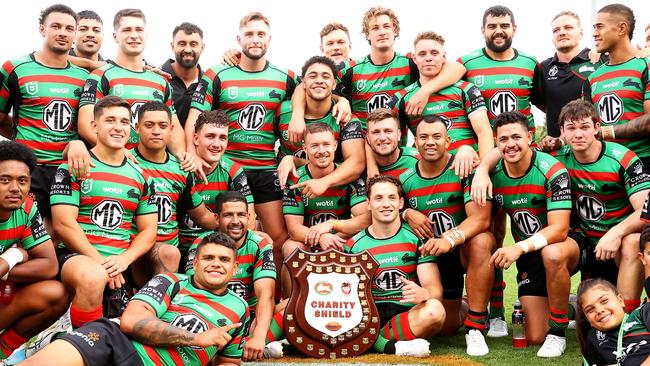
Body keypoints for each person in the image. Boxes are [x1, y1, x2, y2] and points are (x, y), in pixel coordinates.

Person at [23, 232, 250, 366]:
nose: (216, 264)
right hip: (120, 344)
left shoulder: (240, 308)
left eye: (224, 259)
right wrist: (195, 339)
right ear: (196, 263)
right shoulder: (171, 281)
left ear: (235, 267)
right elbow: (132, 321)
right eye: (208, 257)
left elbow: (228, 361)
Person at [187, 12, 297, 286]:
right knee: (227, 233)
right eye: (249, 34)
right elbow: (194, 120)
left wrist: (342, 103)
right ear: (239, 39)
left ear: (269, 40)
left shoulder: (285, 77)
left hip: (265, 168)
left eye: (260, 34)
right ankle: (224, 290)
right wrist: (191, 154)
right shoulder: (218, 74)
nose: (255, 39)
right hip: (229, 169)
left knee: (277, 238)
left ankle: (278, 299)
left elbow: (314, 98)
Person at [456, 5, 542, 335]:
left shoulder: (530, 63)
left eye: (504, 25)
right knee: (489, 232)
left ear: (515, 29)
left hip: (520, 155)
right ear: (483, 31)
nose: (498, 30)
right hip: (483, 156)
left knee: (523, 225)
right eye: (492, 26)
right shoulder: (467, 63)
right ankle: (494, 310)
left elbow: (544, 101)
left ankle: (527, 297)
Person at [474, 111, 584, 357]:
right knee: (534, 336)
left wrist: (518, 247)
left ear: (530, 137)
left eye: (516, 137)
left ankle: (558, 333)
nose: (510, 144)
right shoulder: (495, 174)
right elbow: (495, 227)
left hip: (566, 244)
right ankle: (571, 307)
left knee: (552, 254)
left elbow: (559, 229)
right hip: (530, 252)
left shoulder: (551, 169)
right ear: (496, 142)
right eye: (503, 139)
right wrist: (481, 169)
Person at [50, 96, 158, 327]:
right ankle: (78, 345)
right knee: (93, 277)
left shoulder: (141, 175)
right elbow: (63, 224)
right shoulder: (75, 165)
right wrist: (101, 263)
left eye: (124, 121)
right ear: (94, 126)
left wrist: (123, 260)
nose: (118, 127)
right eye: (110, 120)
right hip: (77, 258)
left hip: (119, 263)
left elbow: (149, 231)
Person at [400, 115, 495, 356]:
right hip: (430, 257)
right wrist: (406, 212)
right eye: (423, 137)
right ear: (415, 143)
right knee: (446, 328)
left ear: (448, 141)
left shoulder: (464, 169)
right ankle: (462, 305)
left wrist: (449, 239)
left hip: (459, 249)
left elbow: (481, 219)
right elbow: (390, 210)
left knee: (483, 240)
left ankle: (475, 326)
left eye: (436, 136)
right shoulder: (406, 179)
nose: (429, 142)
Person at [0, 4, 88, 234]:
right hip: (30, 168)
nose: (63, 33)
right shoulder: (15, 68)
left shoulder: (85, 77)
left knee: (60, 233)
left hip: (68, 168)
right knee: (24, 232)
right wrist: (21, 141)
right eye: (56, 26)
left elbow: (90, 121)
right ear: (42, 29)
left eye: (69, 28)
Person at [555, 99, 650, 312]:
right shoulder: (557, 157)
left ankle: (628, 321)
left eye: (585, 127)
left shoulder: (622, 158)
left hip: (617, 247)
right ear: (562, 131)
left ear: (597, 128)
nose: (578, 134)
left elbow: (645, 210)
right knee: (594, 315)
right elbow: (517, 147)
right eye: (571, 128)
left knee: (634, 240)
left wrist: (615, 233)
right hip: (585, 244)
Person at [345, 175, 445, 357]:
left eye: (391, 198)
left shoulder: (417, 239)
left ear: (401, 203)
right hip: (368, 315)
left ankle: (373, 340)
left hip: (405, 314)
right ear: (368, 204)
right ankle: (393, 346)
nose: (385, 204)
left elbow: (434, 288)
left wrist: (425, 293)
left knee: (435, 310)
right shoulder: (353, 245)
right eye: (378, 198)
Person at [185, 192, 280, 361]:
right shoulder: (202, 244)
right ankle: (248, 349)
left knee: (292, 306)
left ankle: (253, 345)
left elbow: (266, 294)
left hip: (250, 319)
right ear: (217, 218)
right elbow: (194, 292)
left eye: (241, 215)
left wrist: (258, 335)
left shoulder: (259, 243)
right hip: (213, 317)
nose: (236, 221)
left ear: (249, 217)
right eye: (228, 215)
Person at [77, 8, 185, 153]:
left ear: (146, 35)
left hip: (152, 167)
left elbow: (174, 127)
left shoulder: (161, 81)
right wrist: (120, 153)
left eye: (139, 30)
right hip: (115, 166)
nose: (134, 35)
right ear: (115, 36)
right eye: (127, 30)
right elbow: (85, 125)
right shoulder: (99, 76)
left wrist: (181, 155)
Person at [130, 101, 217, 278]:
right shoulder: (127, 162)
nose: (156, 131)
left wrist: (240, 225)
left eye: (162, 126)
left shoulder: (181, 168)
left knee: (170, 253)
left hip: (167, 251)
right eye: (149, 125)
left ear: (171, 129)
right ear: (137, 128)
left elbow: (202, 216)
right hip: (132, 248)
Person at [0, 141, 68, 361]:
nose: (14, 188)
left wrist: (5, 266)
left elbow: (49, 265)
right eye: (4, 180)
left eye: (22, 180)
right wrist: (16, 255)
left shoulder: (26, 208)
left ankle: (1, 351)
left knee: (55, 294)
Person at [282, 123, 367, 295]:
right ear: (305, 148)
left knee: (364, 241)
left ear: (335, 146)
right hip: (309, 240)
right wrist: (321, 238)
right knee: (290, 247)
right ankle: (291, 305)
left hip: (341, 237)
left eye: (326, 144)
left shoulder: (348, 176)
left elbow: (364, 220)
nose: (321, 151)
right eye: (314, 146)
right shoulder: (296, 178)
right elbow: (294, 229)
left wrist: (332, 229)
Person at [391, 31, 493, 158]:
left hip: (467, 169)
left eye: (434, 53)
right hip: (428, 172)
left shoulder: (466, 89)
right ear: (414, 58)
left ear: (444, 57)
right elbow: (392, 140)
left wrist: (483, 169)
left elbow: (483, 131)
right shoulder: (401, 98)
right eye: (422, 54)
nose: (428, 58)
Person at [276, 56, 365, 193]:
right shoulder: (284, 111)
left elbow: (356, 163)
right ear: (303, 83)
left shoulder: (345, 118)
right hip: (288, 191)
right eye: (312, 76)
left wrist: (322, 182)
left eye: (325, 76)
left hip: (332, 191)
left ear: (334, 84)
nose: (319, 81)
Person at [178, 110, 255, 266]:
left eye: (222, 138)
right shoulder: (178, 167)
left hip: (215, 250)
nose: (216, 144)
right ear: (195, 139)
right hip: (178, 247)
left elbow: (249, 218)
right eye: (210, 136)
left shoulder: (232, 170)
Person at [586, 4, 650, 171]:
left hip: (643, 163)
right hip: (605, 167)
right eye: (594, 27)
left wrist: (604, 132)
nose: (594, 33)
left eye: (600, 27)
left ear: (622, 28)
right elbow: (586, 124)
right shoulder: (593, 77)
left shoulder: (646, 66)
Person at [538, 11, 606, 148]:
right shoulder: (543, 68)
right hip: (559, 149)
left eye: (568, 27)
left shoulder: (600, 59)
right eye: (556, 30)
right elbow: (540, 102)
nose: (561, 32)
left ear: (581, 33)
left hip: (596, 148)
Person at [576, 278, 650, 365]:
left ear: (620, 300)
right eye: (590, 309)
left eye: (604, 301)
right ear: (587, 319)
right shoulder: (594, 338)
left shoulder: (642, 312)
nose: (599, 310)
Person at [160, 22, 205, 127]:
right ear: (172, 46)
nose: (188, 49)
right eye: (182, 43)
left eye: (193, 44)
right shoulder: (158, 78)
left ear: (202, 48)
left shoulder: (209, 83)